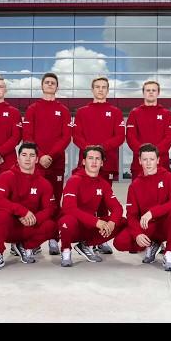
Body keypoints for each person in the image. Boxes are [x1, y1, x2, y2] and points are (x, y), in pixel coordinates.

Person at [71, 76, 125, 255]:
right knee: (84, 201)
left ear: (108, 90)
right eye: (97, 87)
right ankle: (83, 235)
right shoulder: (82, 112)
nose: (100, 90)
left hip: (107, 164)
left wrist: (101, 149)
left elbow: (119, 136)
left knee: (103, 202)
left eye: (104, 87)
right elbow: (76, 135)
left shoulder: (115, 111)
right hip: (87, 165)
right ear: (92, 90)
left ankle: (100, 238)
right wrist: (90, 150)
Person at [0, 143, 58, 271]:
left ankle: (26, 247)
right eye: (24, 155)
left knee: (52, 226)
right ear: (18, 159)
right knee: (0, 215)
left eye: (32, 155)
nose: (28, 158)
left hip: (29, 226)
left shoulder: (44, 182)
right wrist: (22, 211)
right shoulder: (6, 176)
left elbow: (50, 208)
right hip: (9, 227)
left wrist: (35, 217)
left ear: (36, 159)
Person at [113, 143, 171, 271]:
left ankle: (169, 253)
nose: (148, 163)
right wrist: (137, 234)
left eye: (152, 159)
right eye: (145, 159)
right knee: (120, 242)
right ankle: (152, 245)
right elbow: (131, 215)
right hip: (147, 226)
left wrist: (152, 212)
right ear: (139, 161)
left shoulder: (169, 178)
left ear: (158, 160)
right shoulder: (135, 185)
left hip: (164, 224)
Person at [22, 72, 71, 255]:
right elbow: (27, 135)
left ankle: (53, 238)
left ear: (57, 87)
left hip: (56, 162)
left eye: (53, 83)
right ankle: (33, 240)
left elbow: (66, 137)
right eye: (47, 82)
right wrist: (40, 155)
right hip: (37, 163)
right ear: (42, 86)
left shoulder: (63, 110)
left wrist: (50, 154)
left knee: (55, 201)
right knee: (34, 201)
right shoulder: (33, 108)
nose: (50, 85)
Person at [57, 145, 124, 267]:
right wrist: (96, 222)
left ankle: (86, 245)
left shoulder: (103, 184)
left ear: (102, 163)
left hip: (89, 227)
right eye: (90, 158)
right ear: (83, 161)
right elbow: (68, 208)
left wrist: (112, 222)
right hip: (73, 227)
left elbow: (117, 208)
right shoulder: (74, 180)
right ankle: (66, 251)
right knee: (66, 220)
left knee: (122, 221)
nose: (94, 162)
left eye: (97, 159)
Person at [125, 81, 171, 180]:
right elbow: (130, 137)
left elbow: (169, 137)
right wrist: (144, 154)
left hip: (161, 164)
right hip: (139, 165)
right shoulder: (134, 113)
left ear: (158, 93)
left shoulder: (167, 114)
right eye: (148, 90)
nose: (151, 92)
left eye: (153, 90)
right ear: (143, 93)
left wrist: (154, 154)